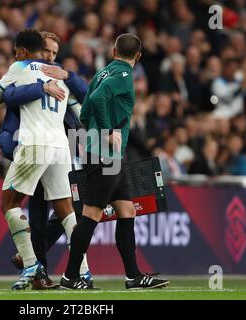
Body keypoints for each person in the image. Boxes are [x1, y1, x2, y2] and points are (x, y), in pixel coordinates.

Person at [61, 33, 170, 290]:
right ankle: (70, 276)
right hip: (105, 155)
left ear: (114, 51)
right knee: (91, 214)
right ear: (139, 56)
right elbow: (97, 100)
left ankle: (133, 276)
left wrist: (95, 133)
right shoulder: (123, 75)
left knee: (127, 210)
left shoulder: (101, 74)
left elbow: (85, 112)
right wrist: (108, 131)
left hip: (106, 154)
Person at [0, 29, 83, 290]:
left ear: (21, 50)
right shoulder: (59, 74)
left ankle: (30, 264)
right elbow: (81, 111)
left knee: (9, 203)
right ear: (44, 49)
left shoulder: (20, 66)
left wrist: (20, 88)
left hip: (35, 144)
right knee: (65, 209)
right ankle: (81, 274)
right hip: (61, 147)